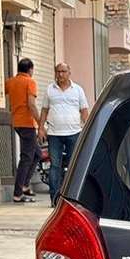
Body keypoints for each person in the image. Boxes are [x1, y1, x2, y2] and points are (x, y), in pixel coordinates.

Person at [41, 63, 89, 205]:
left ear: (69, 72)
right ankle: (55, 199)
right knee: (55, 166)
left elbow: (84, 110)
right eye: (58, 71)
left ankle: (72, 198)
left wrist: (87, 127)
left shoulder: (78, 90)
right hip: (54, 133)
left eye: (63, 71)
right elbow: (44, 110)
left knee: (73, 165)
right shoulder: (50, 90)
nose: (60, 74)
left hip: (74, 132)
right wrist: (41, 128)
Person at [5, 58, 43, 203]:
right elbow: (31, 104)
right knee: (26, 158)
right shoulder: (30, 82)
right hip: (27, 124)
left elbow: (2, 92)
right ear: (30, 69)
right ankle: (18, 193)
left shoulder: (11, 82)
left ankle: (25, 185)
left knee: (37, 154)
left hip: (16, 122)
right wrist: (41, 124)